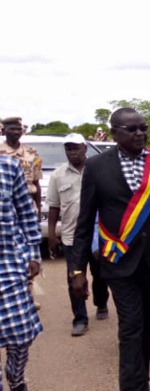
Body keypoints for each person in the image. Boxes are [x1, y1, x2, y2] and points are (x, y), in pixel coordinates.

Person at [69, 108, 150, 390]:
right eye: (132, 129)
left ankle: (142, 382)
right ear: (115, 133)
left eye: (143, 127)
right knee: (130, 327)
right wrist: (77, 269)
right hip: (117, 260)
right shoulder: (97, 167)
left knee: (147, 326)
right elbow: (84, 221)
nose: (140, 133)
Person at [47, 133, 109, 337]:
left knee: (101, 274)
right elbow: (54, 206)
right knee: (74, 277)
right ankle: (80, 318)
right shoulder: (58, 175)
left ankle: (101, 303)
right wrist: (52, 234)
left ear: (85, 149)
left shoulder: (99, 170)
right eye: (68, 149)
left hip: (97, 234)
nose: (72, 152)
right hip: (72, 236)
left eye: (76, 148)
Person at [0, 155, 43, 391]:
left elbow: (26, 212)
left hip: (9, 262)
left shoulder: (8, 167)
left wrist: (35, 253)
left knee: (22, 333)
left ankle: (15, 378)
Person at [0, 117, 43, 311]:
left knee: (28, 253)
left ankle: (28, 296)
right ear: (4, 130)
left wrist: (38, 209)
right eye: (11, 128)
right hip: (8, 211)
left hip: (27, 208)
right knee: (13, 254)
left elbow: (37, 182)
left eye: (18, 128)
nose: (15, 132)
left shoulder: (32, 153)